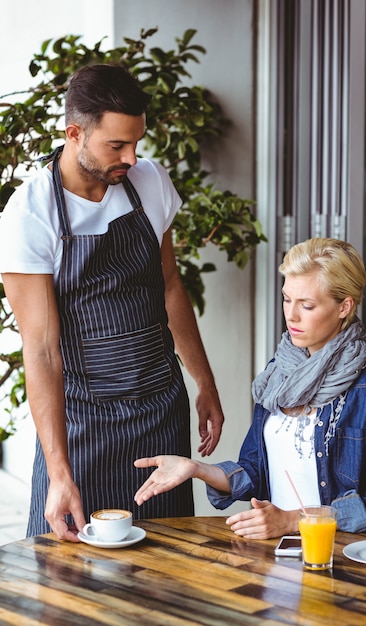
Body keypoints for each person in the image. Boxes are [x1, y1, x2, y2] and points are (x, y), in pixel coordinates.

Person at [0, 64, 224, 541]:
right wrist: (59, 470)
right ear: (75, 133)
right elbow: (40, 350)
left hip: (160, 409)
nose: (132, 157)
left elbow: (169, 286)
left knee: (168, 559)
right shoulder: (31, 213)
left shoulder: (148, 182)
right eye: (117, 145)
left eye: (137, 142)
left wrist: (204, 381)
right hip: (84, 423)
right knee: (75, 570)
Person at [134, 238, 366, 539]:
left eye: (307, 305)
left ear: (344, 306)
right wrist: (196, 468)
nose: (291, 315)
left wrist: (292, 521)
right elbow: (254, 471)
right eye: (287, 299)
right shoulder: (277, 374)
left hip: (336, 557)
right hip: (275, 554)